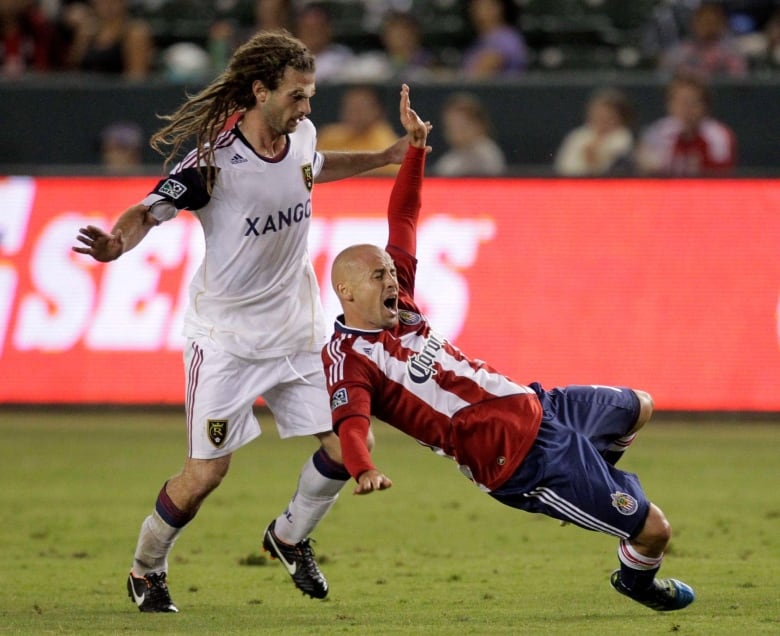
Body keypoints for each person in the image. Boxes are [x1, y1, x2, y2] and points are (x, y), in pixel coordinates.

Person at [322, 84, 696, 613]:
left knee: (639, 405)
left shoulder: (397, 299)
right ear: (347, 291)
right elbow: (352, 425)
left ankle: (595, 479)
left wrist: (416, 151)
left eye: (389, 270)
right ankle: (635, 580)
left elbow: (403, 219)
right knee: (655, 531)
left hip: (540, 407)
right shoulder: (350, 359)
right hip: (517, 461)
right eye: (379, 274)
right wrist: (362, 470)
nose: (392, 278)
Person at [72, 30, 412, 613]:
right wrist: (115, 244)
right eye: (297, 97)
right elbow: (150, 211)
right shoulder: (213, 162)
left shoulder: (301, 135)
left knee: (348, 441)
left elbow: (316, 166)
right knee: (205, 475)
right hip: (227, 340)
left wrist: (383, 158)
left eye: (310, 96)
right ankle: (146, 569)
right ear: (259, 91)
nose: (308, 110)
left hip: (299, 331)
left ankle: (288, 536)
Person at [635, 72, 737, 177]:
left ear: (705, 106)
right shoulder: (657, 132)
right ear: (670, 105)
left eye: (692, 102)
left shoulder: (718, 135)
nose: (686, 109)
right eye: (680, 102)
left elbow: (721, 176)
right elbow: (647, 168)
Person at [317, 85, 399, 176]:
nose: (353, 113)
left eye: (360, 108)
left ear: (378, 110)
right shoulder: (328, 136)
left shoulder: (386, 143)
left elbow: (389, 173)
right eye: (349, 107)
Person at [554, 87, 635, 177]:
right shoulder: (578, 135)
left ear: (619, 117)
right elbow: (563, 168)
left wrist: (594, 154)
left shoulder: (623, 137)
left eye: (607, 115)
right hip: (571, 185)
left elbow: (608, 170)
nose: (601, 118)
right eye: (598, 113)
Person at [63, 0, 155, 78]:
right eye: (102, 1)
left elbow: (137, 78)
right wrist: (82, 40)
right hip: (86, 94)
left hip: (118, 95)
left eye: (113, 1)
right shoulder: (86, 32)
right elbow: (74, 68)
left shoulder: (135, 34)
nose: (107, 6)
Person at [659, 2, 748, 79]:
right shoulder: (680, 52)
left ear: (721, 24)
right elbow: (664, 76)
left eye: (711, 22)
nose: (708, 27)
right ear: (694, 24)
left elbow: (738, 81)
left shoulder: (731, 52)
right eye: (703, 22)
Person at [431, 91, 506, 177]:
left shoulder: (488, 153)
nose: (456, 132)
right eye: (451, 126)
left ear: (479, 124)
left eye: (462, 126)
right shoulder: (448, 162)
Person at [460, 0, 528, 79]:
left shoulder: (506, 37)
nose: (480, 11)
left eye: (487, 6)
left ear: (500, 8)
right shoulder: (481, 39)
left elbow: (479, 73)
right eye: (476, 6)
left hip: (501, 90)